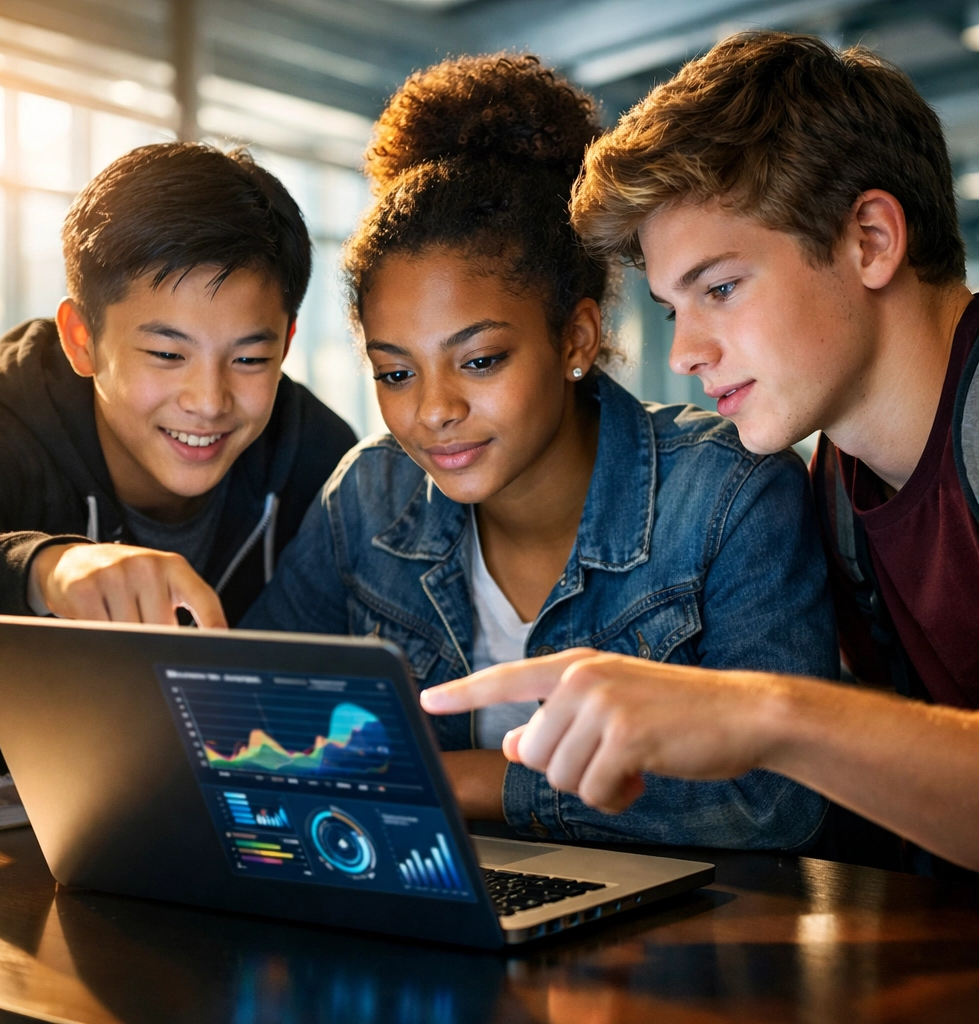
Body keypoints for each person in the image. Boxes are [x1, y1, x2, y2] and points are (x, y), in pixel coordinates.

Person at [244, 54, 839, 849]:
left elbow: (777, 801)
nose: (433, 412)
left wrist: (467, 783)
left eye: (480, 360)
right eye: (395, 372)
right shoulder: (370, 497)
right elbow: (245, 710)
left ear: (577, 339)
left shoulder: (728, 495)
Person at [420, 32, 979, 873]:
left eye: (719, 288)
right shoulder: (842, 484)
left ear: (869, 239)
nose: (683, 354)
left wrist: (770, 717)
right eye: (671, 306)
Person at [0, 143, 356, 769]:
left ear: (286, 344)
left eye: (250, 358)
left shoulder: (319, 458)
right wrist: (48, 571)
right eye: (168, 355)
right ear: (81, 340)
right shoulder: (2, 416)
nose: (209, 400)